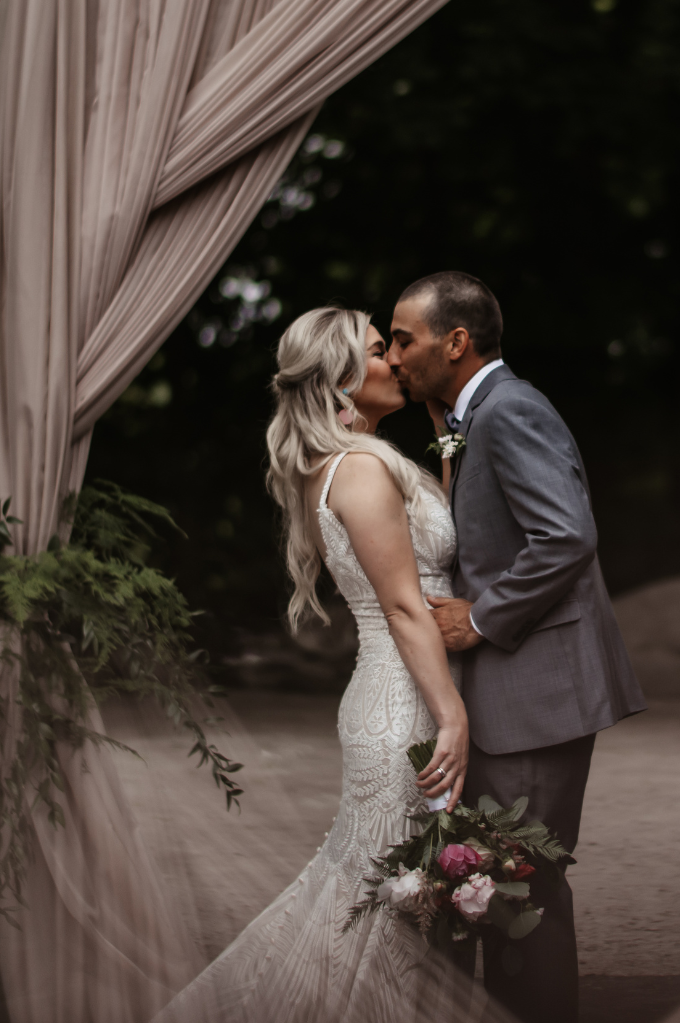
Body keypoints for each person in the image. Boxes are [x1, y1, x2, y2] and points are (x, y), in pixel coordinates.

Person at [153, 307, 480, 1023]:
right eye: (376, 350)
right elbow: (402, 608)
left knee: (389, 896)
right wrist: (452, 714)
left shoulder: (360, 459)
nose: (395, 359)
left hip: (401, 689)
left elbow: (439, 541)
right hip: (403, 704)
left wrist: (445, 423)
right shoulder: (359, 471)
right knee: (382, 900)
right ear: (338, 380)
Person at [387, 272, 647, 1023]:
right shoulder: (471, 416)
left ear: (456, 341)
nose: (396, 354)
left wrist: (484, 617)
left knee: (518, 891)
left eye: (405, 338)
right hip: (514, 692)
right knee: (497, 891)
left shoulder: (509, 411)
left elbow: (565, 535)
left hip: (536, 695)